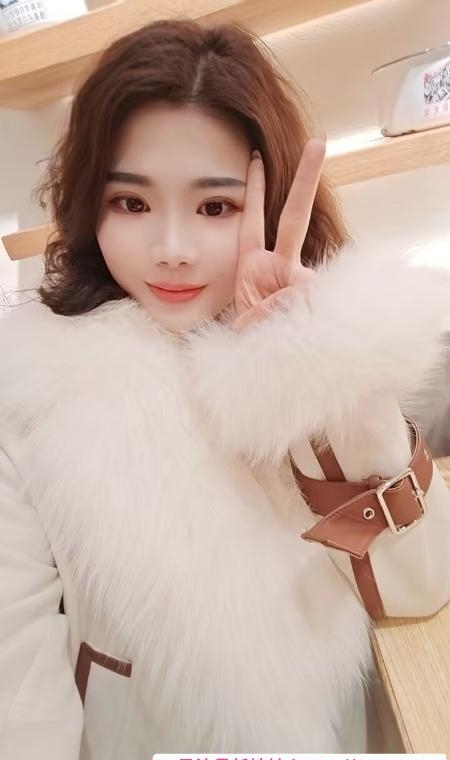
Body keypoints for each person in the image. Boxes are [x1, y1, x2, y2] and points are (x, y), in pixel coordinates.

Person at [0, 18, 449, 760]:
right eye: (132, 203)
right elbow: (17, 700)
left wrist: (312, 358)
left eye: (215, 207)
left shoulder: (319, 354)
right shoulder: (29, 393)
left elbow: (420, 585)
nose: (172, 249)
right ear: (88, 206)